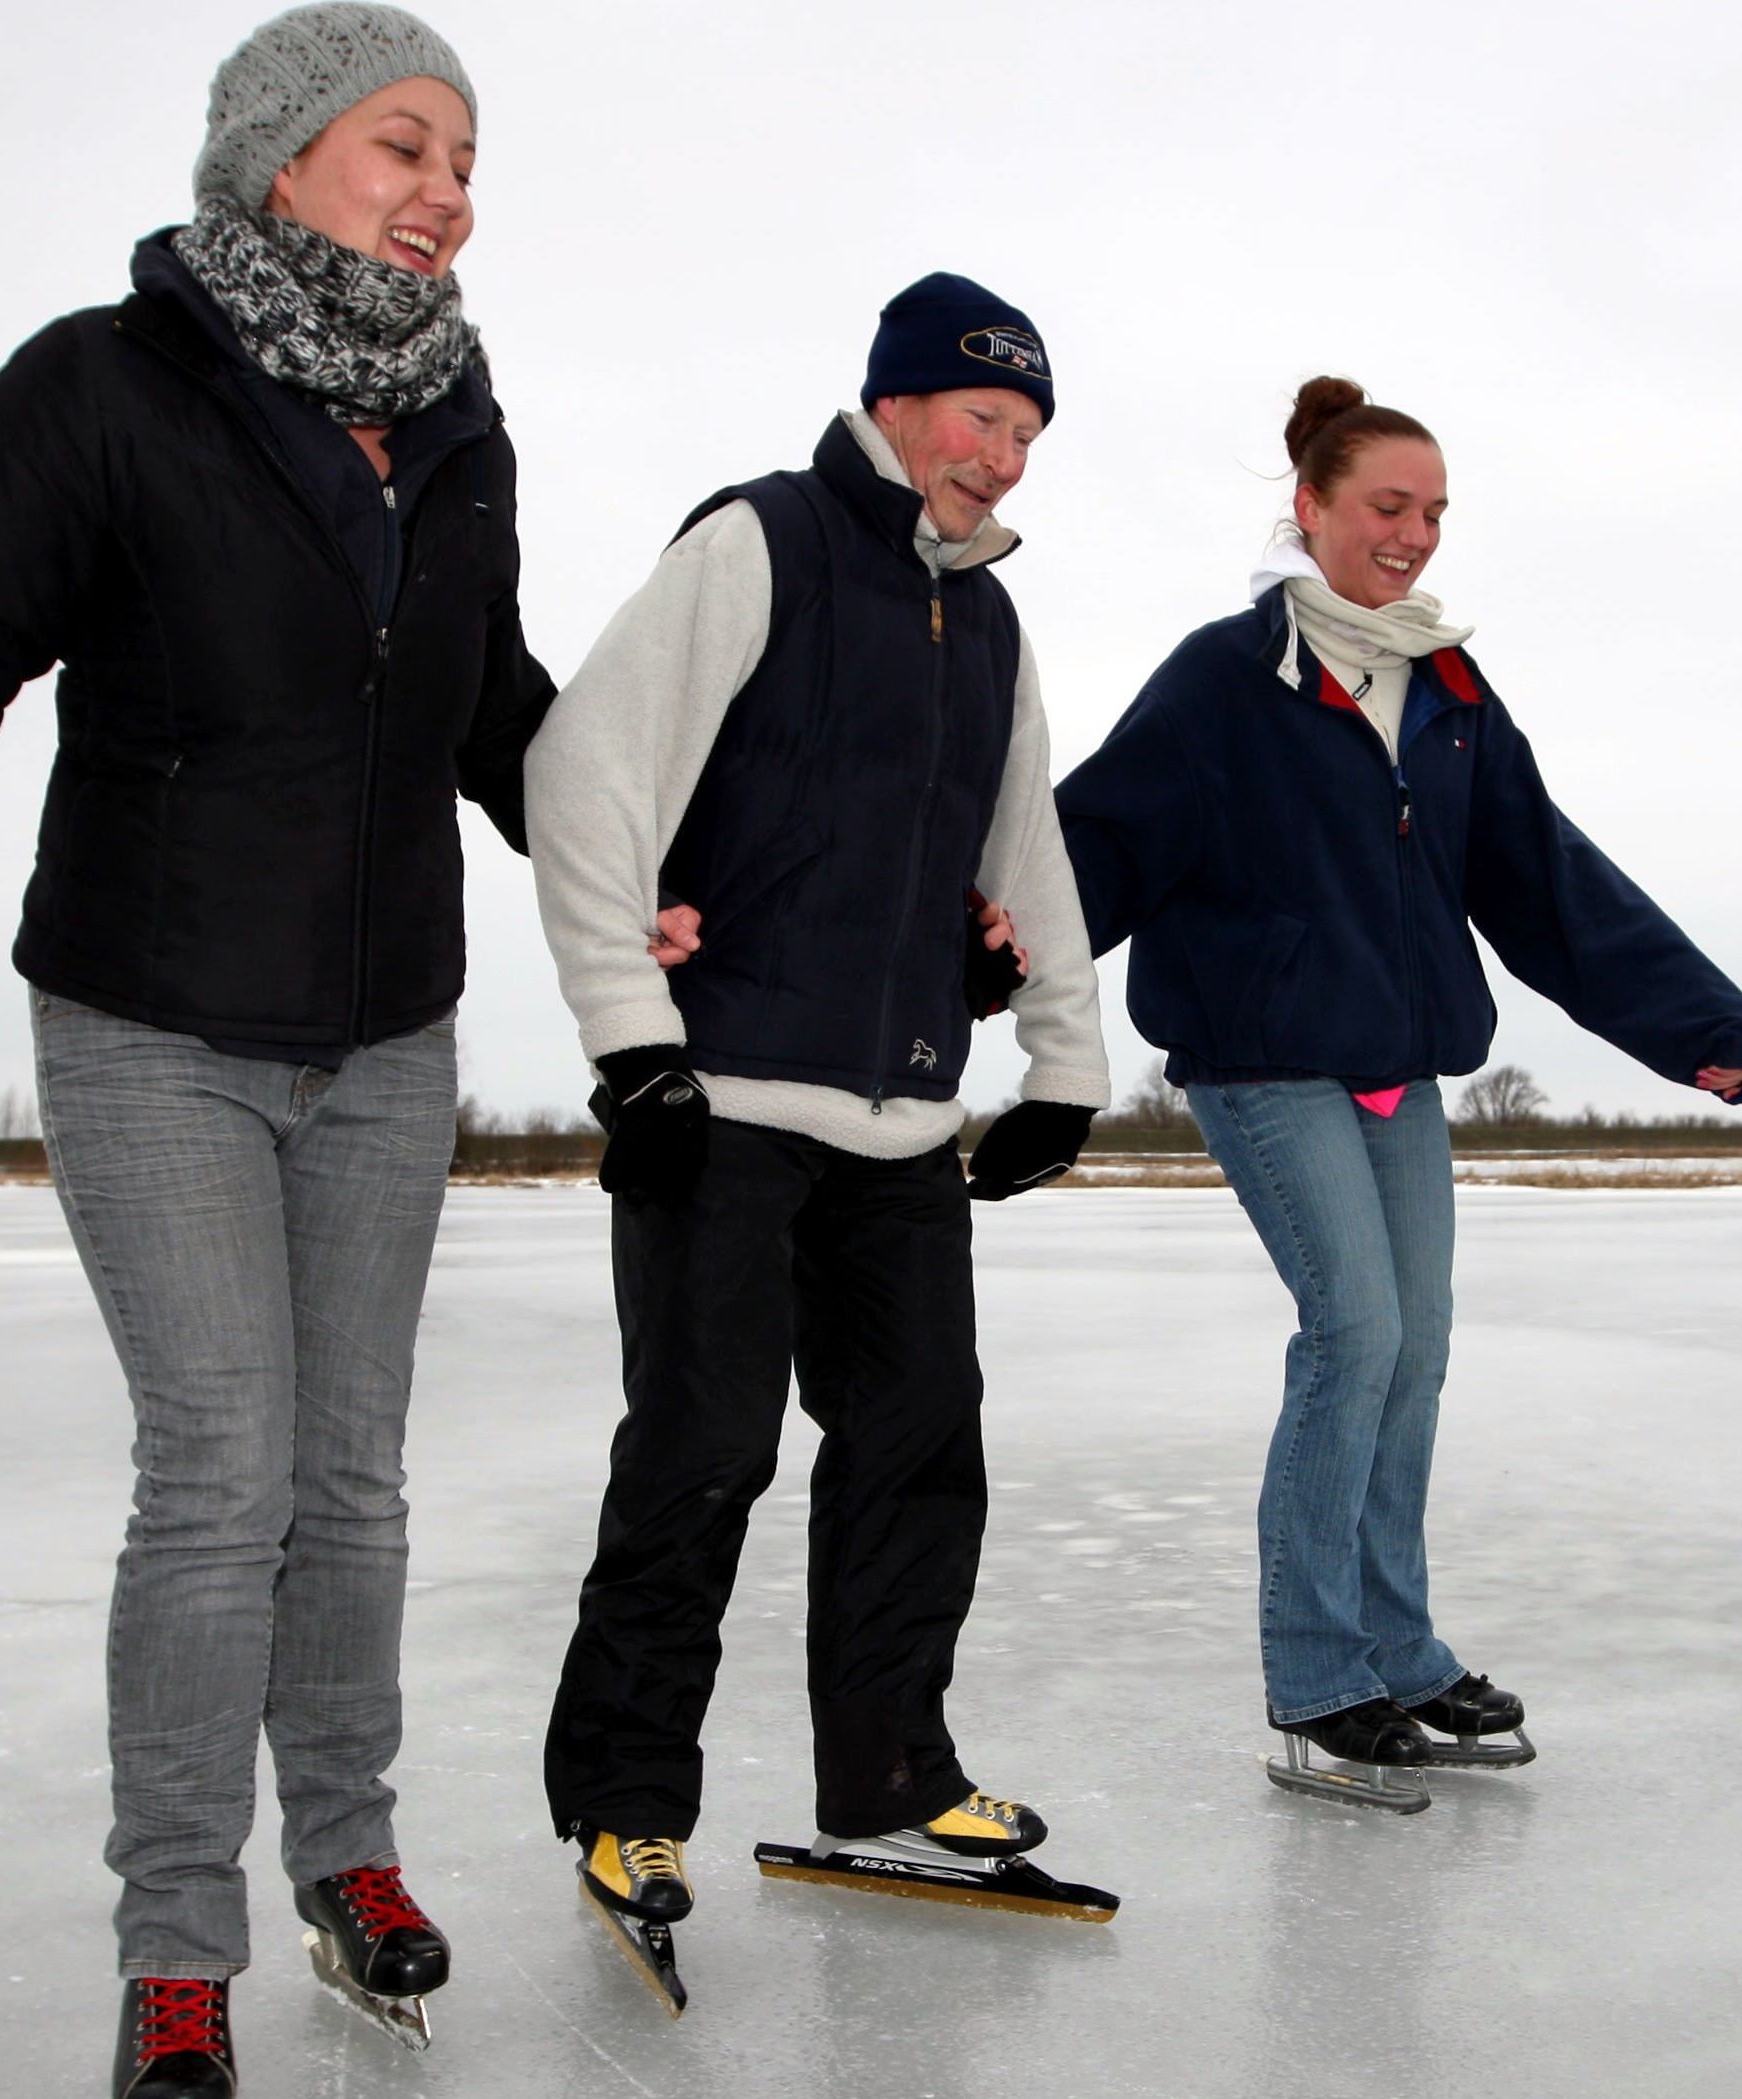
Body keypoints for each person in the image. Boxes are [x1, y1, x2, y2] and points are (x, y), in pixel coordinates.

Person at [0, 7, 551, 2083]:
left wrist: (650, 863)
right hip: (153, 1016)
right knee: (222, 1482)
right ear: (279, 157)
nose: (445, 192)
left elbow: (492, 708)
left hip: (386, 1031)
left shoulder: (457, 420)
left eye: (466, 161)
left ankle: (349, 1858)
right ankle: (176, 1947)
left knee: (352, 1483)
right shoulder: (105, 387)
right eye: (403, 145)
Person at [1054, 376, 1742, 1808]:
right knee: (1356, 1334)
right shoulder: (1227, 678)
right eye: (1388, 505)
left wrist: (1696, 1025)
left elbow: (1541, 874)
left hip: (1397, 1066)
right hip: (1266, 1058)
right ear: (1310, 506)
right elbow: (1096, 840)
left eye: (1435, 512)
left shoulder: (1446, 688)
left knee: (1416, 1348)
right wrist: (966, 949)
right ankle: (1317, 1674)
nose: (1414, 534)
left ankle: (1398, 1647)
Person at [521, 272, 1115, 2002]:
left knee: (920, 1451)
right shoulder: (760, 543)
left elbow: (1024, 846)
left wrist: (1063, 1065)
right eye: (981, 418)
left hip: (903, 1117)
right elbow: (586, 770)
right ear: (898, 403)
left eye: (1026, 433)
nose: (1002, 459)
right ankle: (627, 1805)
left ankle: (888, 1779)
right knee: (701, 1451)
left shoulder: (988, 624)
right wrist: (631, 1044)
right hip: (722, 1102)